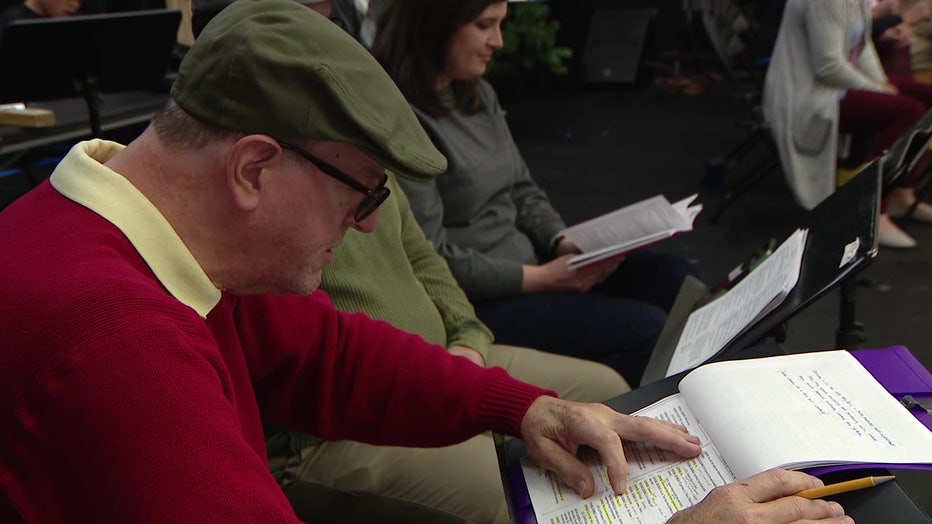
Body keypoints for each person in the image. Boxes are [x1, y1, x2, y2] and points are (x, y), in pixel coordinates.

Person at [0, 1, 853, 522]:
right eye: (363, 192)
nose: (371, 228)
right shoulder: (113, 346)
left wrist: (518, 408)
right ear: (254, 168)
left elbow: (325, 353)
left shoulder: (145, 234)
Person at [267, 173, 633, 523]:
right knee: (511, 492)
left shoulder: (364, 147)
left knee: (609, 392)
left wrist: (468, 341)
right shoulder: (276, 196)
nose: (370, 220)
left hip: (438, 358)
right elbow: (326, 355)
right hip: (325, 428)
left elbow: (425, 258)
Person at [371, 0, 701, 388]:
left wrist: (562, 241)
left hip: (536, 263)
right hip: (483, 298)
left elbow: (522, 190)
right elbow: (432, 255)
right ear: (434, 27)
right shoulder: (402, 119)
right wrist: (543, 278)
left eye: (500, 25)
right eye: (484, 25)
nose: (498, 41)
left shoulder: (477, 94)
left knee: (676, 279)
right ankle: (631, 423)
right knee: (645, 328)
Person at [764, 0, 932, 249]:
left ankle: (902, 194)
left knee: (925, 99)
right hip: (809, 97)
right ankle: (874, 211)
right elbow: (827, 65)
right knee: (908, 111)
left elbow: (861, 47)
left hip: (835, 86)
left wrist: (882, 84)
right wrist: (879, 89)